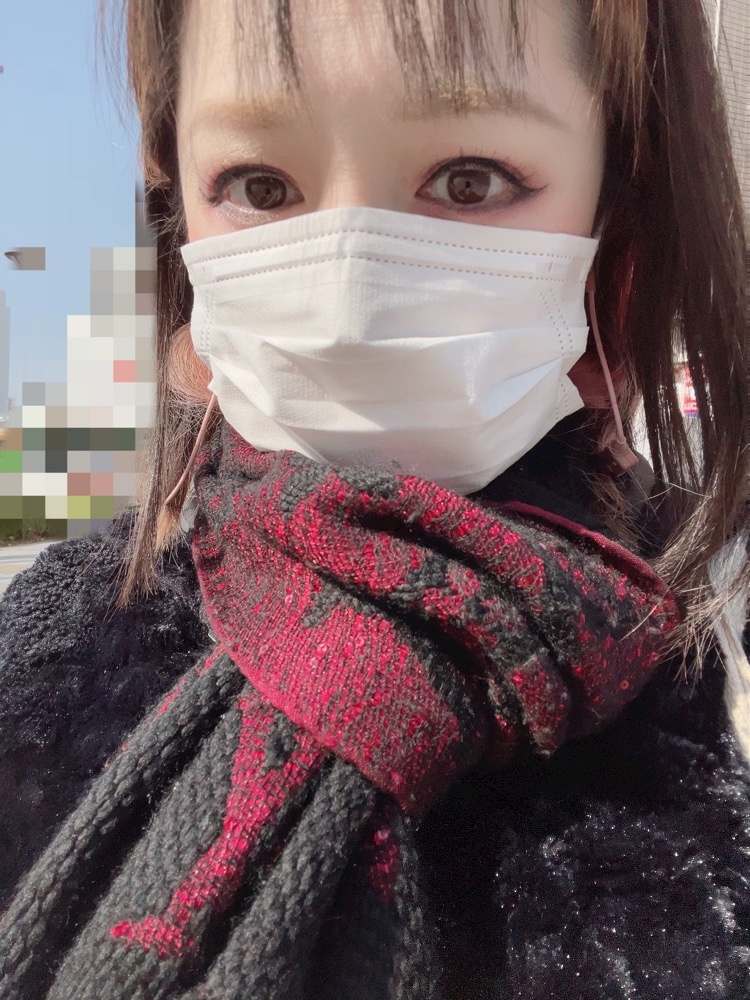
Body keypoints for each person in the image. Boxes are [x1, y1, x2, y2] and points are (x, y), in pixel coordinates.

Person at [0, 0, 748, 996]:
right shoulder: (55, 658)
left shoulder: (677, 650)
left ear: (620, 203)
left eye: (469, 179)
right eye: (260, 186)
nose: (348, 303)